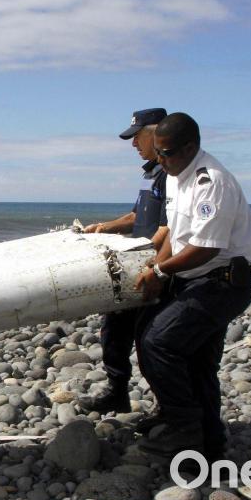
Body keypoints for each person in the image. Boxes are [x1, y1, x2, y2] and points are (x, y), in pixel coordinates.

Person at [134, 113, 251, 460]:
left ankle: (183, 426)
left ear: (191, 147)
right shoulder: (176, 174)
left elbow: (206, 246)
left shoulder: (211, 182)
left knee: (160, 342)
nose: (161, 161)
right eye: (158, 153)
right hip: (196, 278)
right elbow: (177, 233)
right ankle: (208, 446)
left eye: (168, 153)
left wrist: (159, 272)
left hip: (222, 282)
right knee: (193, 360)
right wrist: (157, 263)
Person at [77, 108, 170, 414]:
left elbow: (169, 229)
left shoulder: (171, 175)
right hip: (136, 264)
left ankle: (166, 406)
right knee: (113, 330)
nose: (133, 145)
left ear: (157, 134)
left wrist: (152, 266)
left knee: (150, 341)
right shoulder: (149, 174)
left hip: (155, 268)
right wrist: (103, 227)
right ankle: (117, 391)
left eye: (137, 137)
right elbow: (135, 217)